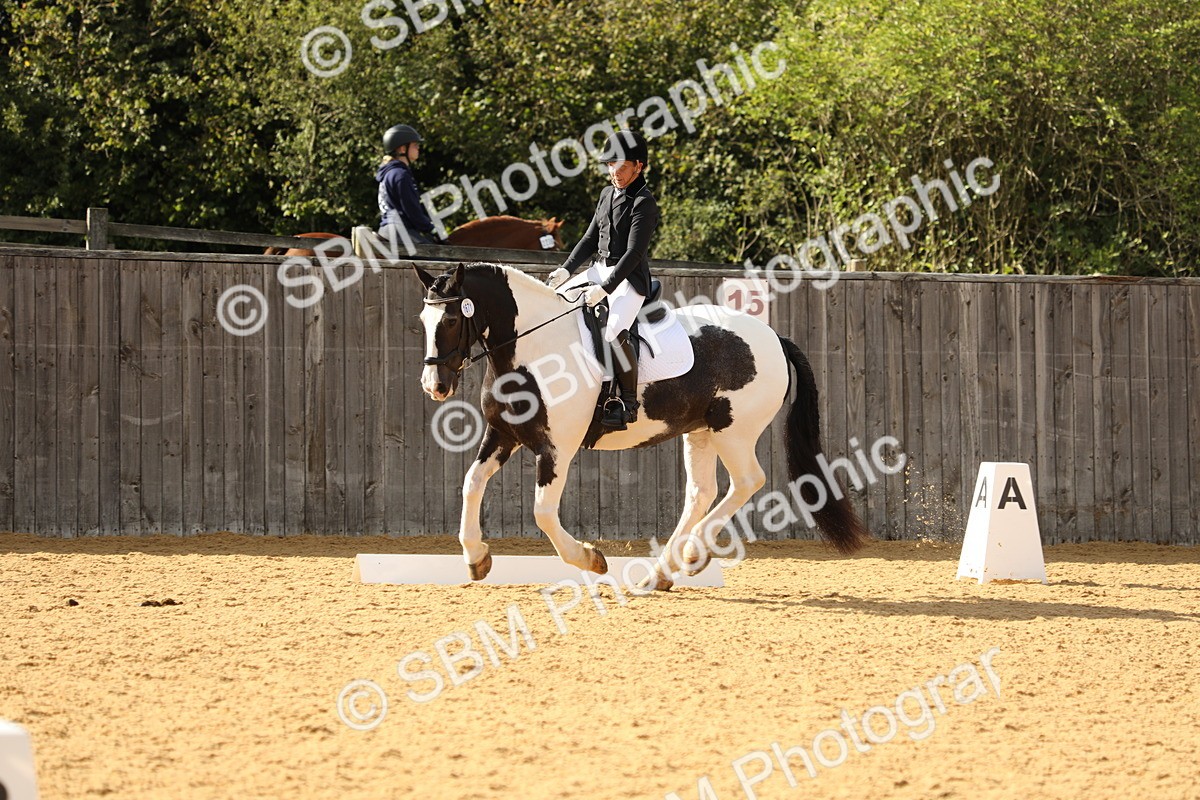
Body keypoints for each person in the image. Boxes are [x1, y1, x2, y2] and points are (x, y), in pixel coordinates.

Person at [547, 129, 659, 429]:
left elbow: (634, 253)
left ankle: (627, 401)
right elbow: (589, 238)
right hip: (598, 269)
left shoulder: (644, 203)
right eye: (611, 166)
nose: (615, 173)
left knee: (612, 332)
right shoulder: (607, 193)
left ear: (639, 166)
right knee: (556, 305)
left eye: (622, 167)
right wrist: (566, 270)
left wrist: (605, 288)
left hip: (628, 279)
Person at [376, 124, 442, 245]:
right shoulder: (400, 175)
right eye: (415, 145)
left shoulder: (390, 173)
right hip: (399, 232)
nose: (418, 148)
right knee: (441, 259)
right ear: (402, 149)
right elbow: (412, 210)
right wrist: (431, 229)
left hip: (388, 230)